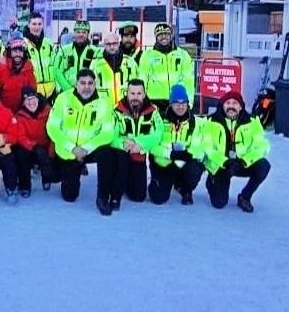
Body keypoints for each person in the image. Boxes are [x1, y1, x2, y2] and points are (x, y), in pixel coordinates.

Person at [46, 69, 118, 215]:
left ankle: (102, 197)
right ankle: (72, 169)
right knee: (70, 196)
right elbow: (52, 127)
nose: (87, 87)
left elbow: (108, 132)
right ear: (76, 84)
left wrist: (86, 148)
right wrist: (72, 148)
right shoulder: (63, 98)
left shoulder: (104, 102)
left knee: (107, 153)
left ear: (95, 84)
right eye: (83, 83)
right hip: (69, 151)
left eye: (90, 83)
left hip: (90, 149)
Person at [201, 90, 271, 213]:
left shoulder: (252, 122)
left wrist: (246, 160)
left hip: (242, 163)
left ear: (241, 106)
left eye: (235, 103)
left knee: (263, 166)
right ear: (222, 105)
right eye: (228, 103)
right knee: (219, 203)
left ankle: (245, 197)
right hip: (221, 165)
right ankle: (212, 181)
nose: (231, 106)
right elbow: (207, 147)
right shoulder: (211, 122)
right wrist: (224, 162)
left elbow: (263, 146)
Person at [148, 84, 205, 205]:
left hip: (183, 163)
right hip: (163, 164)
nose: (180, 106)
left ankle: (185, 189)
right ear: (171, 103)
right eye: (177, 103)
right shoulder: (159, 121)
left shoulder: (194, 123)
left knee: (197, 166)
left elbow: (197, 147)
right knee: (159, 198)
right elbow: (152, 146)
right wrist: (170, 154)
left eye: (184, 103)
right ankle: (157, 182)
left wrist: (181, 159)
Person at [109, 79, 163, 207]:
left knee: (138, 197)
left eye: (139, 93)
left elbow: (158, 133)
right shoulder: (117, 110)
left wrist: (140, 143)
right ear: (127, 93)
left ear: (144, 94)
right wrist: (122, 143)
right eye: (132, 93)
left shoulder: (153, 111)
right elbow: (110, 135)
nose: (135, 97)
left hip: (139, 156)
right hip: (122, 155)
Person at [9, 87, 58, 196]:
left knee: (49, 161)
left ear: (38, 98)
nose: (31, 103)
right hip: (30, 147)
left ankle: (46, 177)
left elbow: (54, 132)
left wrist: (50, 152)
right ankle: (25, 185)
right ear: (23, 102)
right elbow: (21, 137)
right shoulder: (19, 116)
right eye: (27, 100)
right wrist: (34, 147)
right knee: (21, 155)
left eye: (33, 98)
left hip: (46, 146)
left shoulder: (48, 111)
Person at [139, 23, 195, 113]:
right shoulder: (147, 56)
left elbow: (189, 81)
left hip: (177, 100)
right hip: (153, 102)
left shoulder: (183, 55)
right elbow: (142, 80)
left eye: (166, 34)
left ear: (171, 35)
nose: (163, 37)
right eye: (160, 35)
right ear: (156, 37)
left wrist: (189, 103)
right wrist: (143, 103)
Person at [90, 32, 138, 105]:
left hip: (126, 108)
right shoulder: (96, 64)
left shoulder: (130, 62)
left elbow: (138, 85)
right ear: (104, 45)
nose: (112, 47)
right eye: (108, 44)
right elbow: (90, 87)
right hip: (103, 108)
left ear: (119, 44)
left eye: (114, 44)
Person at [0, 37, 38, 113]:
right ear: (9, 52)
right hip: (4, 112)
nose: (17, 54)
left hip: (23, 112)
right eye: (14, 51)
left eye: (20, 51)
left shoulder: (28, 68)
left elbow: (33, 91)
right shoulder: (1, 68)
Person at [53, 20, 99, 95]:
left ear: (88, 34)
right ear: (74, 33)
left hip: (88, 92)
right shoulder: (64, 50)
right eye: (78, 32)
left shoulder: (96, 51)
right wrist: (67, 89)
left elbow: (98, 73)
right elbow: (57, 71)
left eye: (84, 32)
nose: (81, 35)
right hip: (67, 92)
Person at [22, 13, 56, 100]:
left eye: (39, 24)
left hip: (51, 91)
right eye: (34, 24)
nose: (37, 27)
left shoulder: (49, 43)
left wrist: (57, 87)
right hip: (33, 91)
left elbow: (55, 66)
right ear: (28, 25)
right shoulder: (23, 44)